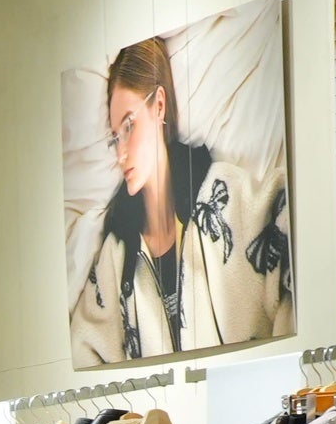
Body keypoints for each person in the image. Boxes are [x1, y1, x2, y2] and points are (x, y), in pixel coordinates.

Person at [69, 33, 293, 364]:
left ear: (159, 105)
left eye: (129, 127)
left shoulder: (227, 196)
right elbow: (83, 349)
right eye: (115, 138)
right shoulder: (116, 254)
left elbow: (292, 233)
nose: (121, 153)